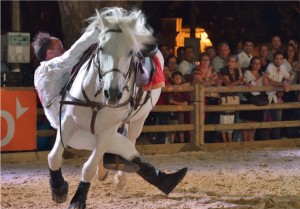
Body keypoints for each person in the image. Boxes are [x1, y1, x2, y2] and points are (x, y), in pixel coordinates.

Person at [32, 29, 187, 194]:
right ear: (49, 53)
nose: (64, 49)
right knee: (124, 146)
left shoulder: (42, 72)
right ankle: (161, 180)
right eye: (60, 47)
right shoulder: (51, 68)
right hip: (73, 128)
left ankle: (63, 181)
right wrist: (95, 31)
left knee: (115, 138)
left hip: (72, 122)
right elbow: (72, 55)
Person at [192, 53, 222, 143]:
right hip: (203, 98)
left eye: (207, 60)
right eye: (203, 60)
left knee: (215, 119)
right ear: (200, 61)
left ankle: (213, 139)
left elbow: (219, 81)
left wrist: (210, 81)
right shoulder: (196, 70)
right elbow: (201, 83)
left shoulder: (212, 69)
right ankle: (204, 139)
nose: (205, 62)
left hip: (214, 96)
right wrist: (212, 81)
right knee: (205, 119)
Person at [239, 57, 269, 141]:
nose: (257, 65)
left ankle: (251, 140)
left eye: (259, 63)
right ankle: (245, 141)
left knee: (254, 124)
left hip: (258, 100)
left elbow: (266, 86)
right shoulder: (247, 73)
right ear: (251, 64)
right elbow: (250, 85)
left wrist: (266, 78)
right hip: (249, 100)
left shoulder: (261, 73)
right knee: (247, 123)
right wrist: (261, 77)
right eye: (255, 63)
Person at [265, 52, 293, 139]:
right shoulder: (270, 66)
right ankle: (264, 142)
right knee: (265, 121)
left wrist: (283, 89)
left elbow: (289, 78)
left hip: (277, 96)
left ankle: (276, 141)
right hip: (266, 96)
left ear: (282, 60)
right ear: (273, 59)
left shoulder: (283, 67)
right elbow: (269, 81)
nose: (278, 60)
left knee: (277, 121)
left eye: (280, 59)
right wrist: (282, 84)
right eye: (276, 58)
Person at [219, 55, 246, 142]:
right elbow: (229, 84)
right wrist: (239, 81)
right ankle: (224, 139)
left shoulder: (236, 70)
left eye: (233, 62)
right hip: (225, 95)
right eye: (229, 61)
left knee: (231, 117)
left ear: (236, 63)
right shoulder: (223, 70)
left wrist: (239, 70)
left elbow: (243, 81)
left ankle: (229, 139)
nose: (230, 63)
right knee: (224, 118)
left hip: (233, 95)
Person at [167, 71, 190, 143]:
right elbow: (170, 100)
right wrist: (181, 103)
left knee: (181, 127)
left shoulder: (183, 88)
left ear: (181, 79)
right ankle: (172, 143)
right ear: (173, 79)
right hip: (173, 111)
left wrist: (184, 103)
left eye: (179, 78)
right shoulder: (171, 88)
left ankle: (182, 142)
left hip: (181, 111)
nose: (177, 80)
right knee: (173, 128)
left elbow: (186, 100)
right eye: (176, 78)